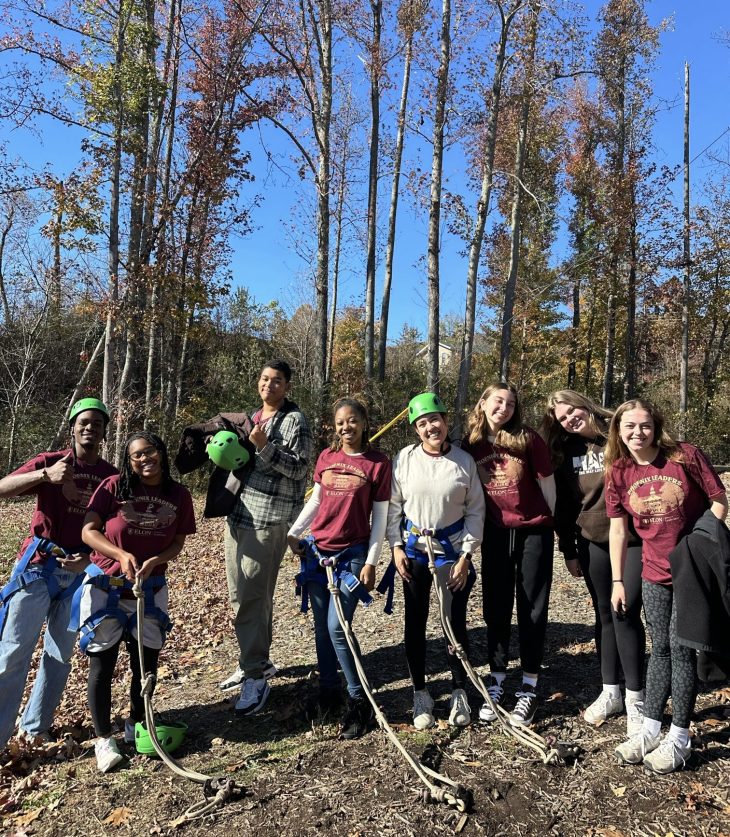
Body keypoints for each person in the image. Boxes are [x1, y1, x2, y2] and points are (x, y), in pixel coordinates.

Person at [606, 399, 727, 774]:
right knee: (659, 648)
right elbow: (618, 528)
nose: (637, 433)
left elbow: (719, 500)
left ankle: (679, 736)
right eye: (629, 426)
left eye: (644, 425)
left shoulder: (684, 456)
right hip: (652, 571)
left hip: (690, 571)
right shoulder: (619, 470)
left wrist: (701, 543)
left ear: (655, 427)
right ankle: (650, 729)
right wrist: (617, 580)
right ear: (618, 431)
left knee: (681, 649)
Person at [0, 398, 116, 750]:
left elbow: (114, 528)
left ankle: (36, 727)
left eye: (97, 423)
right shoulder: (50, 462)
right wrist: (43, 476)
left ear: (103, 432)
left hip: (79, 577)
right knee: (13, 653)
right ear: (72, 426)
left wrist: (89, 560)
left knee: (60, 655)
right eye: (83, 422)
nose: (89, 428)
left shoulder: (110, 476)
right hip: (38, 569)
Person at [79, 432, 196, 773]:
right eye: (137, 456)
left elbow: (177, 541)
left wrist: (156, 560)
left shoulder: (178, 495)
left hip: (151, 589)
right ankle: (103, 738)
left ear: (161, 452)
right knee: (102, 664)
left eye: (151, 452)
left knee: (145, 664)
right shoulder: (114, 487)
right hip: (107, 586)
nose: (146, 459)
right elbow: (89, 531)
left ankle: (136, 722)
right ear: (129, 462)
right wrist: (120, 554)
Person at [542, 390, 645, 734]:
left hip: (633, 541)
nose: (570, 418)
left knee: (626, 611)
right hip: (592, 541)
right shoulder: (566, 452)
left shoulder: (620, 433)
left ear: (584, 404)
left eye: (572, 410)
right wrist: (569, 550)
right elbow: (567, 508)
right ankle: (610, 690)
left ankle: (636, 697)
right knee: (603, 615)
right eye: (562, 418)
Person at [287, 398, 391, 739]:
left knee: (338, 627)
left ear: (363, 422)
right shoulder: (327, 458)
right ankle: (328, 693)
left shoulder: (377, 464)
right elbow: (316, 500)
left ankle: (359, 702)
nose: (346, 427)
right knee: (321, 628)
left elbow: (380, 519)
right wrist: (295, 532)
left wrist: (373, 561)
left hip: (353, 555)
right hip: (318, 553)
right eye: (340, 422)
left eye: (352, 421)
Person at [387, 392, 485, 729]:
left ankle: (459, 689)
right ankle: (420, 692)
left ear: (446, 421)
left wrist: (466, 556)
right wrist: (396, 546)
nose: (431, 427)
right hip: (414, 551)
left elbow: (475, 510)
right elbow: (393, 506)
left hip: (452, 554)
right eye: (423, 422)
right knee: (415, 622)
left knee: (454, 622)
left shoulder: (463, 462)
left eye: (435, 420)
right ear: (416, 428)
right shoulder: (404, 459)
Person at [220, 360, 312, 714]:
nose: (269, 385)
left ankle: (256, 677)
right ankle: (254, 660)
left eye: (276, 381)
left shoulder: (294, 421)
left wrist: (263, 446)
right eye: (264, 379)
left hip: (268, 521)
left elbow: (301, 468)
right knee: (239, 596)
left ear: (287, 386)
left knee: (252, 598)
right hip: (239, 516)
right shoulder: (253, 416)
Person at [461, 383, 555, 727]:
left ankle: (529, 687)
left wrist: (549, 524)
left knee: (532, 607)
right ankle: (497, 679)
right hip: (495, 534)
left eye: (511, 403)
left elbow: (547, 485)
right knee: (495, 607)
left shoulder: (528, 439)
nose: (505, 407)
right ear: (483, 402)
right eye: (498, 401)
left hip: (533, 531)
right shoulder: (470, 444)